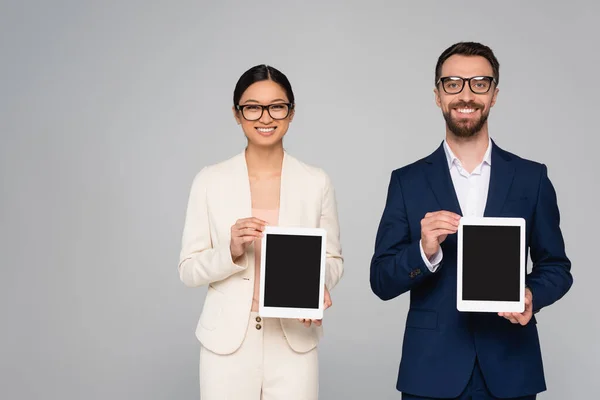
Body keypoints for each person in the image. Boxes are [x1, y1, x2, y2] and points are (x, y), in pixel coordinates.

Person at [370, 42, 572, 399]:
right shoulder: (407, 181)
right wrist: (424, 251)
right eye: (453, 83)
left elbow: (556, 266)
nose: (466, 94)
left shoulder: (531, 178)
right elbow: (381, 280)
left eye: (479, 83)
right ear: (437, 95)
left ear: (494, 94)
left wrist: (530, 295)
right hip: (431, 370)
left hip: (511, 364)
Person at [178, 64, 343, 400]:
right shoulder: (210, 180)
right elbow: (188, 269)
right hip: (227, 345)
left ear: (291, 112)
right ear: (238, 115)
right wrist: (231, 249)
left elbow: (333, 259)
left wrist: (317, 282)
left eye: (276, 106)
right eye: (252, 107)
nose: (265, 117)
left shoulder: (316, 181)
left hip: (293, 341)